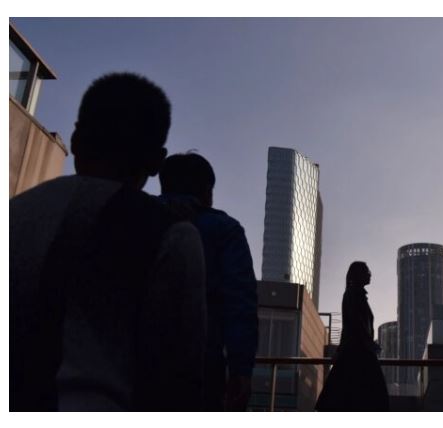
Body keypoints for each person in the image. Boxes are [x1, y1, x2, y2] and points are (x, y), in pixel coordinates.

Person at [10, 73, 207, 411]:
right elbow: (181, 376)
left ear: (75, 139)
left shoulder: (16, 215)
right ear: (157, 161)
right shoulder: (171, 237)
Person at [159, 153, 258, 411]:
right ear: (207, 191)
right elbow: (240, 303)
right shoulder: (224, 230)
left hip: (128, 363)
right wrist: (240, 369)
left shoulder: (132, 217)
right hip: (200, 360)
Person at [315, 261, 389, 411]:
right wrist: (370, 344)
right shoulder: (353, 295)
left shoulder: (355, 294)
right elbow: (355, 324)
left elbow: (350, 326)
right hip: (359, 354)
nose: (370, 274)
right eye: (367, 271)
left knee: (349, 398)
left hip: (356, 353)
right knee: (374, 397)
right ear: (358, 274)